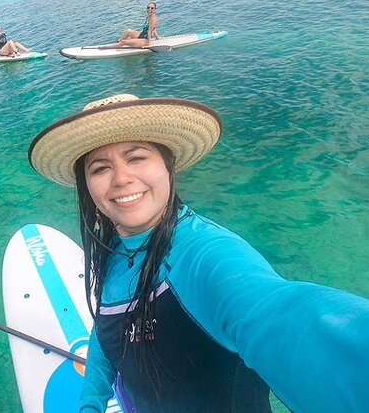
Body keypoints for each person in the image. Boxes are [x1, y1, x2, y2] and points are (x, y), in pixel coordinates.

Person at [28, 94, 369, 413]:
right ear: (87, 186)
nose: (120, 178)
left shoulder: (205, 254)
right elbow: (109, 325)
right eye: (100, 167)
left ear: (168, 166)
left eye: (137, 157)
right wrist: (91, 402)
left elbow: (282, 316)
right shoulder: (113, 247)